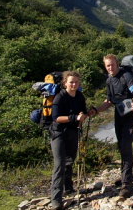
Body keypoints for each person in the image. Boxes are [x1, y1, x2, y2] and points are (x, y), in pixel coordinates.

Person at [88, 54, 133, 199]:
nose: (111, 68)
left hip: (132, 115)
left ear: (117, 64)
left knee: (125, 145)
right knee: (121, 146)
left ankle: (126, 184)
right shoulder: (109, 79)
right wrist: (96, 111)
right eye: (108, 66)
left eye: (112, 65)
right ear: (105, 67)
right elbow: (109, 101)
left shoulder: (126, 75)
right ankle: (127, 175)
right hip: (119, 115)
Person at [50, 71, 88, 210]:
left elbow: (82, 112)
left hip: (73, 131)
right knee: (59, 164)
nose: (74, 84)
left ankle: (68, 188)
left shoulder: (79, 96)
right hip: (58, 132)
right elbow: (56, 117)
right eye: (71, 82)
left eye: (76, 82)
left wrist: (83, 115)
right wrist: (74, 118)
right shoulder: (60, 97)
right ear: (65, 83)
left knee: (69, 160)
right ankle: (56, 199)